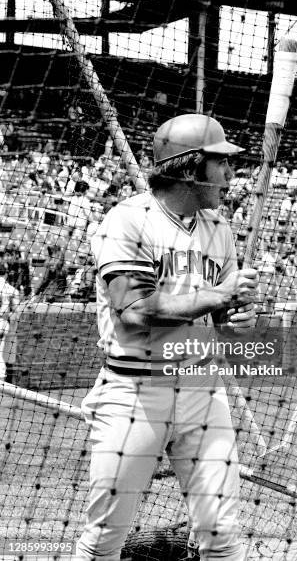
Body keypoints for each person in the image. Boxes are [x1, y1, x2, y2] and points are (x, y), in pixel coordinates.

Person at [76, 114, 258, 561]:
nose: (231, 174)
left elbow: (226, 319)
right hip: (135, 392)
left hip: (201, 389)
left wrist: (238, 316)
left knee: (220, 533)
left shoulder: (219, 228)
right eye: (222, 163)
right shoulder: (127, 221)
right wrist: (219, 295)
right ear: (192, 167)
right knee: (106, 538)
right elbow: (135, 310)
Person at [0, 261, 19, 381]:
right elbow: (16, 311)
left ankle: (1, 377)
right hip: (3, 322)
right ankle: (2, 377)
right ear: (5, 274)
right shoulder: (11, 289)